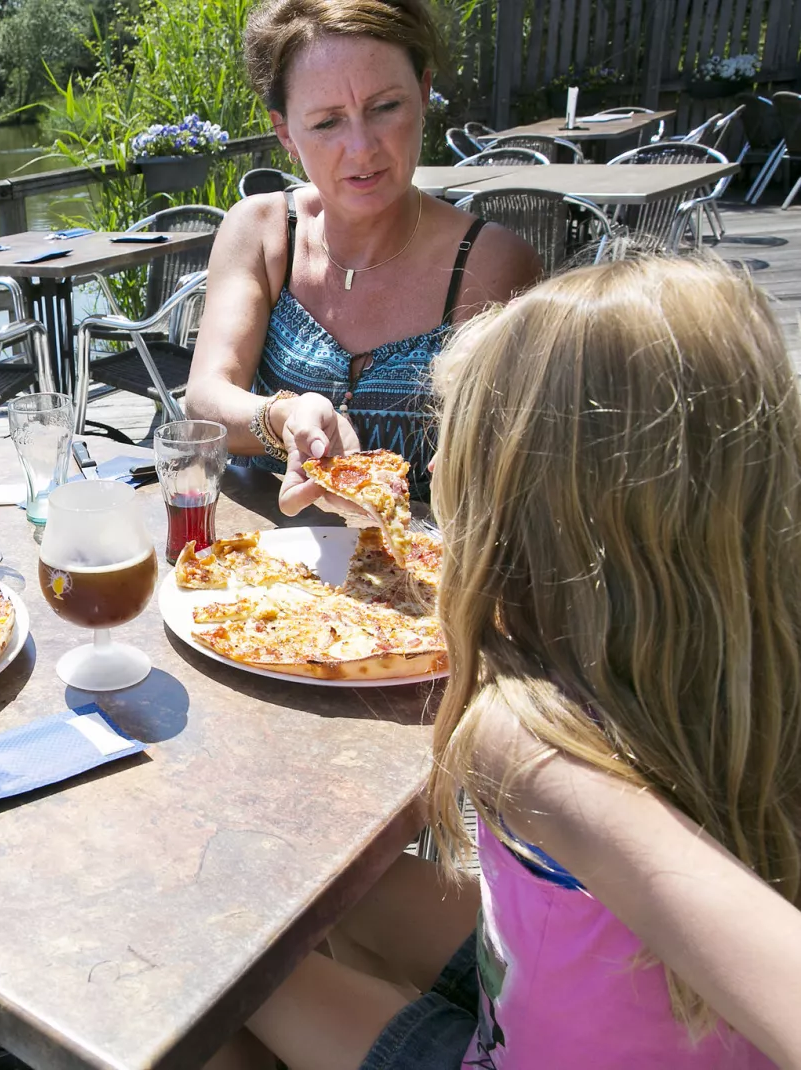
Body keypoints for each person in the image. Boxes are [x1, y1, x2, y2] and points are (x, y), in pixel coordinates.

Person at [205, 257, 801, 1070]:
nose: (437, 481)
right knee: (336, 896)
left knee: (223, 972)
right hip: (572, 974)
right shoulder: (735, 648)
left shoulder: (523, 741)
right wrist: (374, 516)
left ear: (519, 520)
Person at [184, 0, 541, 514]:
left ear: (422, 93)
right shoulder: (261, 230)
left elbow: (497, 475)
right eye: (328, 122)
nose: (361, 147)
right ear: (286, 132)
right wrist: (285, 417)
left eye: (385, 107)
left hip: (417, 576)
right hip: (262, 563)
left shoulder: (490, 263)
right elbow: (205, 398)